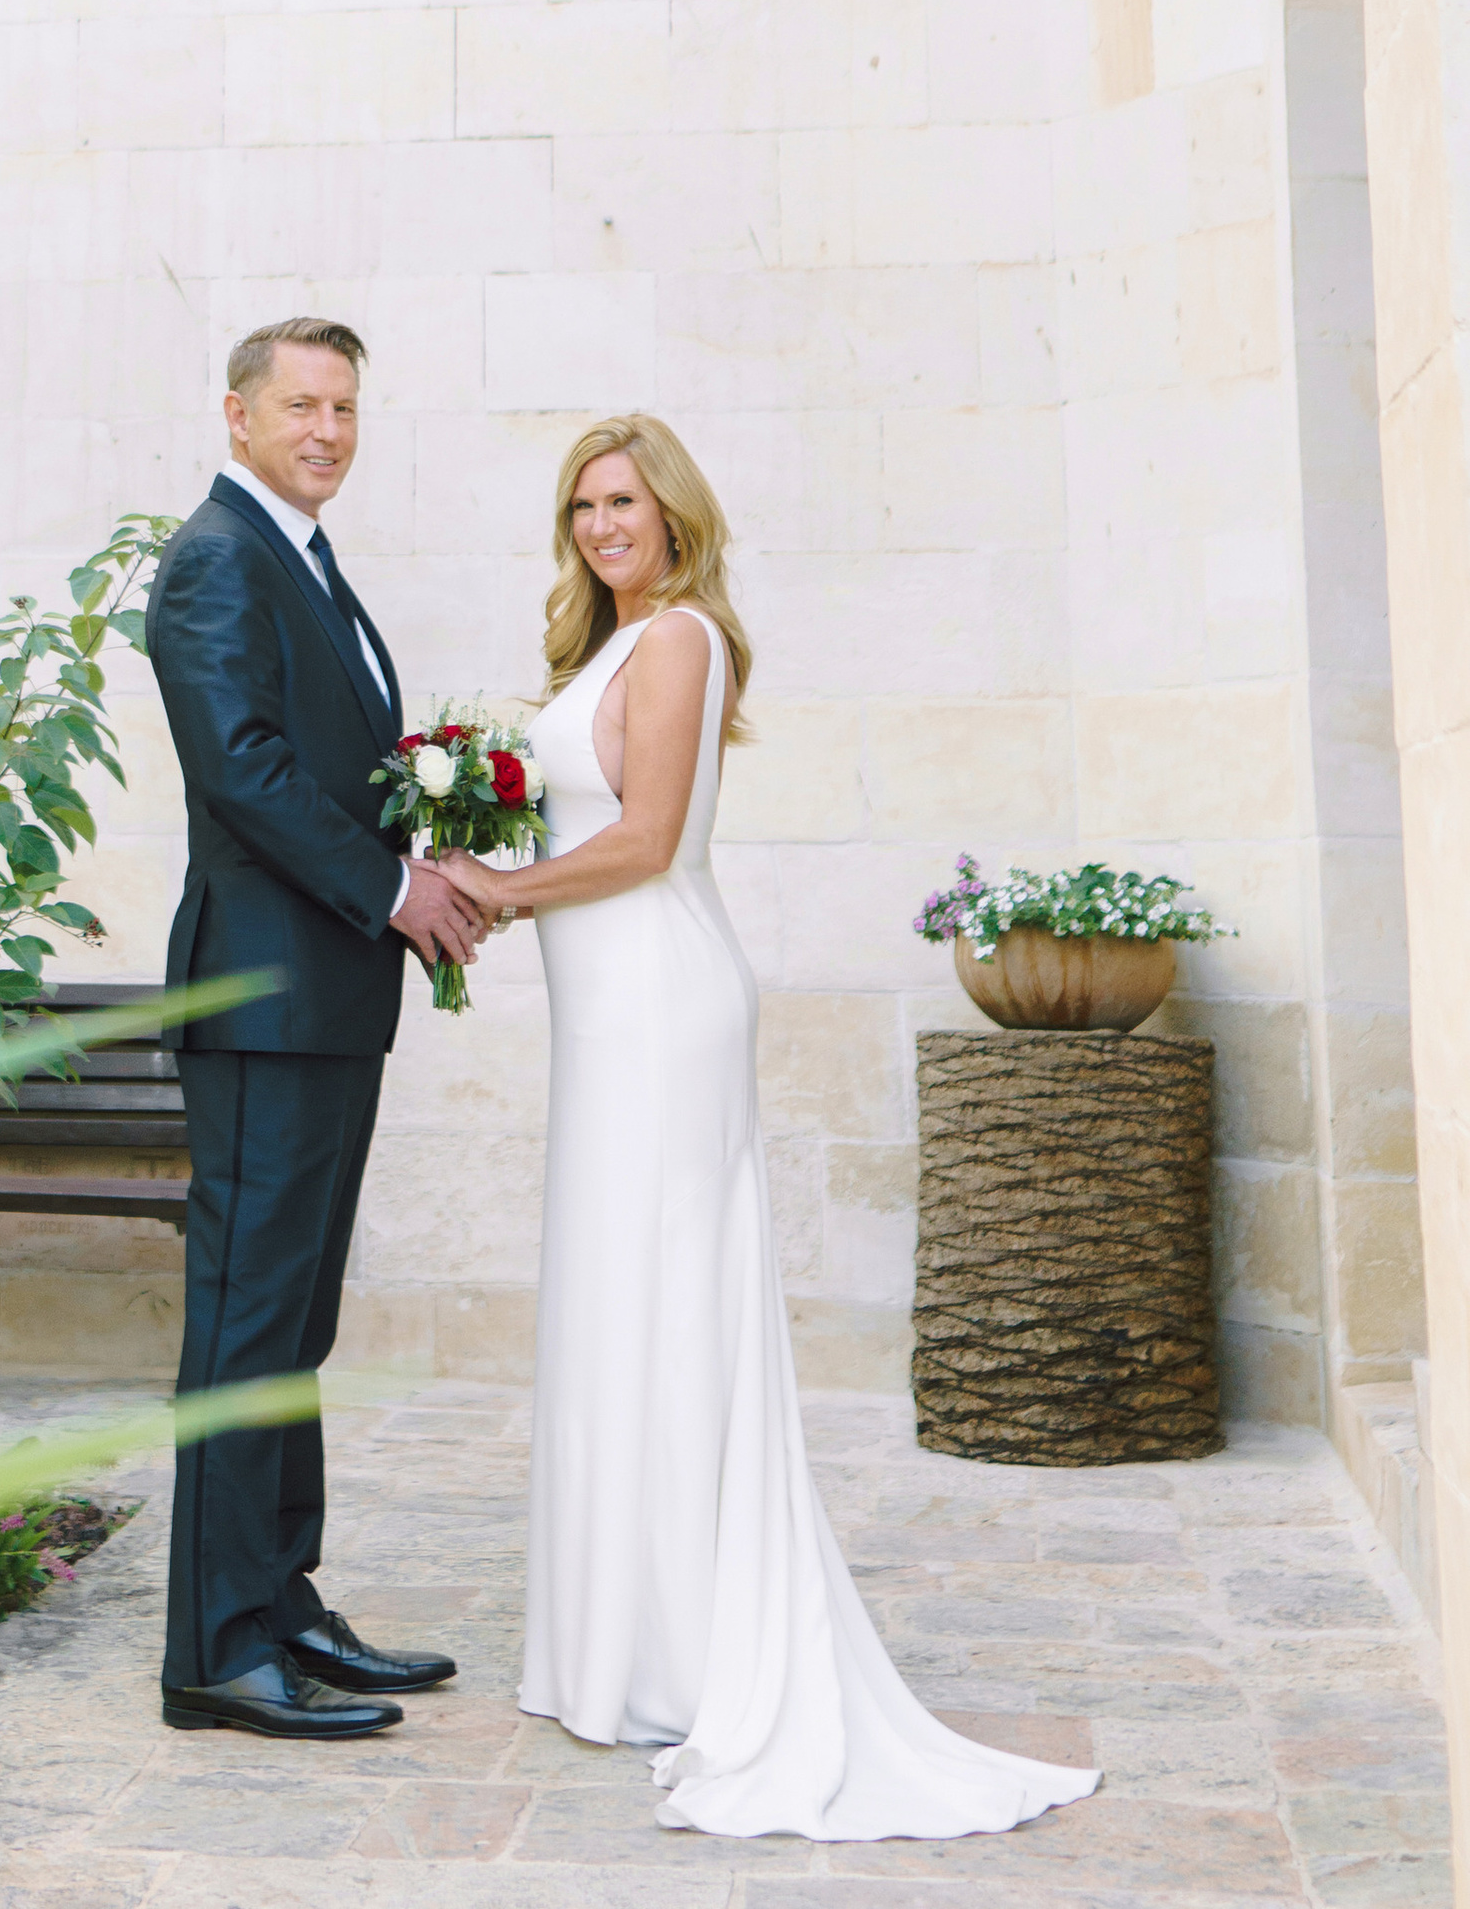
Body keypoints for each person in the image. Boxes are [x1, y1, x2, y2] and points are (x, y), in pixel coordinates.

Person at [441, 416, 1101, 1842]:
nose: (602, 524)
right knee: (616, 1306)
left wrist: (493, 891)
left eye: (623, 501)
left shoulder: (677, 640)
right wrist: (477, 851)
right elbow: (578, 827)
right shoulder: (605, 648)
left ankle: (681, 1652)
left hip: (662, 1008)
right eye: (582, 506)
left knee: (667, 1306)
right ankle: (614, 1645)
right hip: (607, 1016)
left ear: (675, 516)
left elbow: (646, 840)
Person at [145, 315, 483, 1742]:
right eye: (300, 405)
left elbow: (332, 761)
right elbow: (242, 771)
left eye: (345, 406)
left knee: (293, 1319)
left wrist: (442, 818)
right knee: (243, 1324)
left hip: (328, 1003)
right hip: (265, 1005)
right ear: (236, 416)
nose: (327, 430)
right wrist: (396, 884)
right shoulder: (217, 559)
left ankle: (279, 1600)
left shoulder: (306, 559)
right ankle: (216, 1651)